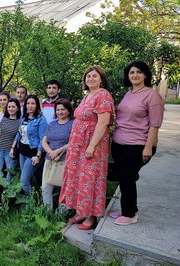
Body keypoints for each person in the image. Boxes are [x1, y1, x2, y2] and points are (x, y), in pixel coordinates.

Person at [59, 66, 115, 230]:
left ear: (101, 79)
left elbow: (103, 122)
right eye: (88, 76)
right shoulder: (87, 96)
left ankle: (91, 217)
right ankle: (81, 211)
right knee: (79, 178)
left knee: (90, 179)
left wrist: (91, 146)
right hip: (78, 145)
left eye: (94, 76)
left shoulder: (103, 95)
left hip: (92, 145)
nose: (90, 79)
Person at [110, 61, 164, 225]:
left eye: (139, 72)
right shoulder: (129, 93)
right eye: (132, 72)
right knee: (124, 176)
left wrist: (148, 147)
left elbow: (155, 124)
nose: (135, 75)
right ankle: (129, 208)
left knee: (127, 176)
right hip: (119, 143)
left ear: (145, 75)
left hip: (139, 144)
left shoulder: (152, 95)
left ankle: (130, 214)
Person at [11, 95, 48, 196]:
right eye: (28, 103)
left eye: (33, 103)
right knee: (26, 178)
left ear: (37, 105)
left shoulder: (41, 120)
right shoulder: (24, 118)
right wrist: (13, 147)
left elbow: (43, 139)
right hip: (22, 152)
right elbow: (19, 134)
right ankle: (31, 196)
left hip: (33, 154)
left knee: (23, 180)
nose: (30, 106)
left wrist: (38, 155)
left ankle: (29, 203)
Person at [41, 99, 74, 209]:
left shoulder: (73, 124)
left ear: (68, 111)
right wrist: (51, 153)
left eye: (63, 109)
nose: (60, 112)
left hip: (65, 161)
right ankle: (48, 213)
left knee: (64, 188)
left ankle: (62, 214)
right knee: (45, 188)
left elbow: (74, 142)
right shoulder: (52, 124)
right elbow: (44, 141)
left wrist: (57, 151)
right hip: (49, 160)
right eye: (58, 109)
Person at [0, 98, 21, 181]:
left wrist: (13, 149)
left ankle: (7, 192)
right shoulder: (4, 119)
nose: (10, 109)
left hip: (10, 152)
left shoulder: (20, 122)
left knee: (10, 174)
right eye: (9, 107)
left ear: (17, 108)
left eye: (13, 107)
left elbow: (19, 137)